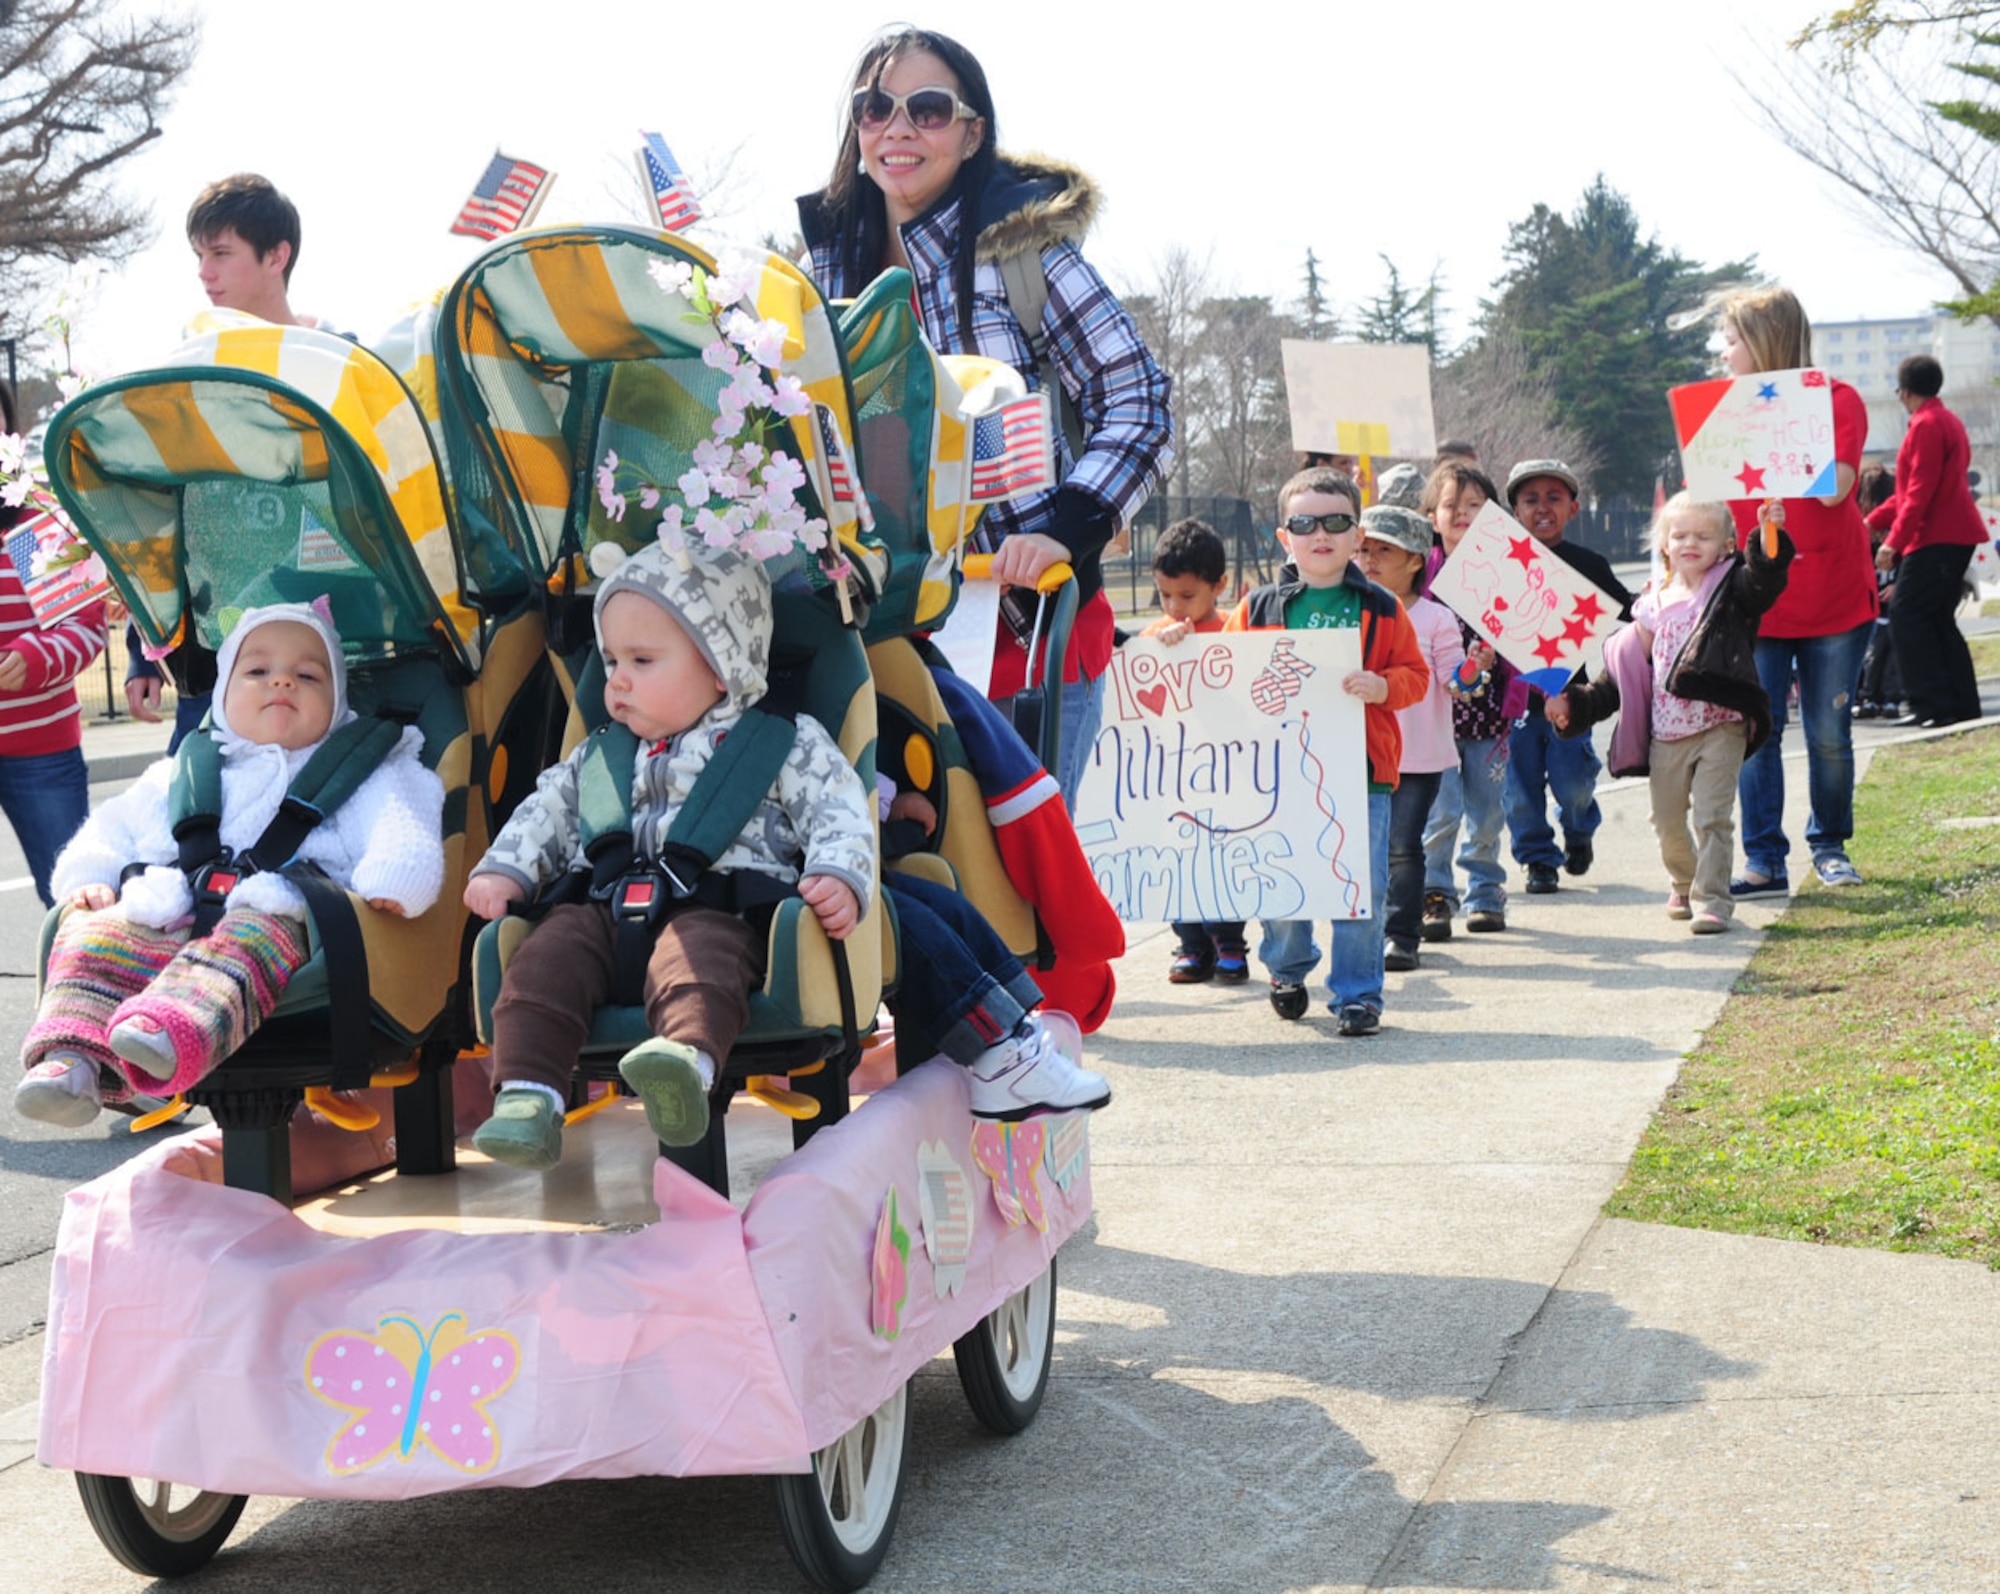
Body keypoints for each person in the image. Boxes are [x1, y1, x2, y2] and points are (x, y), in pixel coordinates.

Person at [798, 27, 1174, 809]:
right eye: (875, 108)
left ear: (971, 133)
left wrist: (1064, 529)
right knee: (881, 868)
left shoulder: (1026, 251)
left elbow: (1137, 397)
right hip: (870, 628)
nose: (898, 129)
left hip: (1018, 622)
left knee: (1017, 889)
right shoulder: (819, 270)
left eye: (928, 109)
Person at [14, 601, 445, 1125]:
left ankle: (170, 1031)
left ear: (336, 703)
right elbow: (111, 827)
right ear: (223, 693)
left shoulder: (364, 775)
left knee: (252, 939)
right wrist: (90, 879)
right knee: (97, 931)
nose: (281, 683)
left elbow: (405, 829)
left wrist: (394, 879)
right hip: (171, 904)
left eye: (307, 675)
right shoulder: (184, 771)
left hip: (281, 912)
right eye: (258, 671)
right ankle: (69, 1059)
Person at [1223, 466, 1427, 1035]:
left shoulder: (1384, 607)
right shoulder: (1257, 607)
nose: (1321, 533)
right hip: (1280, 777)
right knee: (1284, 879)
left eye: (1336, 521)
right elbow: (1220, 673)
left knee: (1360, 889)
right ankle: (1287, 967)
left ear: (1356, 534)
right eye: (1305, 522)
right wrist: (1168, 639)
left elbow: (1415, 674)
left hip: (1361, 775)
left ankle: (1358, 995)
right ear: (1284, 536)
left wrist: (1384, 687)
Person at [128, 175, 326, 750]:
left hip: (331, 659)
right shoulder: (186, 375)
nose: (203, 273)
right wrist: (144, 658)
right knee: (192, 829)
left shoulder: (342, 364)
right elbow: (158, 513)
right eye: (198, 256)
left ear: (277, 256)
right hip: (212, 670)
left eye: (220, 253)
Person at [1548, 495, 1791, 934]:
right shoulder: (1651, 604)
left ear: (1726, 544)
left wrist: (1769, 538)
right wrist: (1577, 704)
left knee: (1712, 816)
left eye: (1703, 536)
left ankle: (1713, 898)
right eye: (1680, 535)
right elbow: (1618, 679)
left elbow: (1763, 582)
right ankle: (1684, 880)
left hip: (1722, 723)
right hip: (1667, 732)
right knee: (1666, 819)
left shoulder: (1731, 588)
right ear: (1664, 544)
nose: (1690, 543)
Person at [1717, 287, 1878, 895]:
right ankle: (1764, 860)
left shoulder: (1837, 400)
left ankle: (1829, 846)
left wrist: (1764, 448)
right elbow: (1708, 504)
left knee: (1827, 733)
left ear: (1763, 343)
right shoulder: (1722, 412)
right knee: (1756, 733)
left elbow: (1836, 487)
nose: (1724, 352)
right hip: (1757, 600)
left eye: (1732, 340)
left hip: (1834, 598)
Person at [1354, 505, 1479, 973]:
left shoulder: (1436, 619)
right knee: (1364, 848)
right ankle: (1362, 932)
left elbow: (1456, 684)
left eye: (1384, 550)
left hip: (1419, 757)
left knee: (1404, 846)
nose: (1370, 559)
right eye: (1364, 549)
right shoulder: (1350, 609)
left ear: (1414, 560)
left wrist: (1472, 669)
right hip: (1362, 752)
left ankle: (1401, 937)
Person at [1501, 459, 1634, 895]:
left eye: (1554, 498)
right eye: (1530, 500)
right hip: (1515, 704)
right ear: (1514, 511)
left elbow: (1630, 614)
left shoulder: (1588, 564)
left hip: (1569, 702)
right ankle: (1538, 860)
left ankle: (1578, 829)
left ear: (1573, 509)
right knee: (1519, 791)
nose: (1542, 508)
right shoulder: (1497, 567)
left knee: (1574, 784)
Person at [0, 381, 105, 913]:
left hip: (40, 751)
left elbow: (87, 627)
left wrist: (36, 658)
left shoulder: (35, 520)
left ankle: (89, 995)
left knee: (74, 902)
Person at [1143, 518, 1246, 984]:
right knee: (1177, 857)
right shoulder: (1154, 636)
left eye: (1186, 596)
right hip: (1171, 771)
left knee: (1225, 855)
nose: (1173, 606)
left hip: (1227, 770)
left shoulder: (1233, 631)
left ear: (1218, 586)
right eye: (1165, 595)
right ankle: (1190, 943)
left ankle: (1229, 942)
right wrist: (1163, 648)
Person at [1865, 353, 1986, 729]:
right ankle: (1960, 704)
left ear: (1903, 391)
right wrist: (1872, 521)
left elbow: (1919, 491)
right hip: (1954, 533)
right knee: (1935, 619)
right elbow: (1910, 492)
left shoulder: (1925, 425)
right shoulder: (1946, 420)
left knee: (1907, 616)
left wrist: (1892, 541)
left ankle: (1931, 704)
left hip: (1936, 536)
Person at [1418, 461, 1512, 937]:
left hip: (1491, 715)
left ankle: (1485, 888)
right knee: (1441, 810)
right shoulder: (1418, 574)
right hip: (1435, 717)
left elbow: (1532, 638)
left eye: (1475, 505)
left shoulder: (1508, 573)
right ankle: (1435, 891)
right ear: (1431, 514)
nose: (1461, 514)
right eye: (1451, 504)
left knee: (1488, 811)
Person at [1852, 464, 1903, 720]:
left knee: (1885, 649)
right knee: (1878, 651)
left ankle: (1887, 697)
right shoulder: (1867, 534)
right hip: (1875, 603)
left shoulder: (1894, 533)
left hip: (1885, 603)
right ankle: (1872, 696)